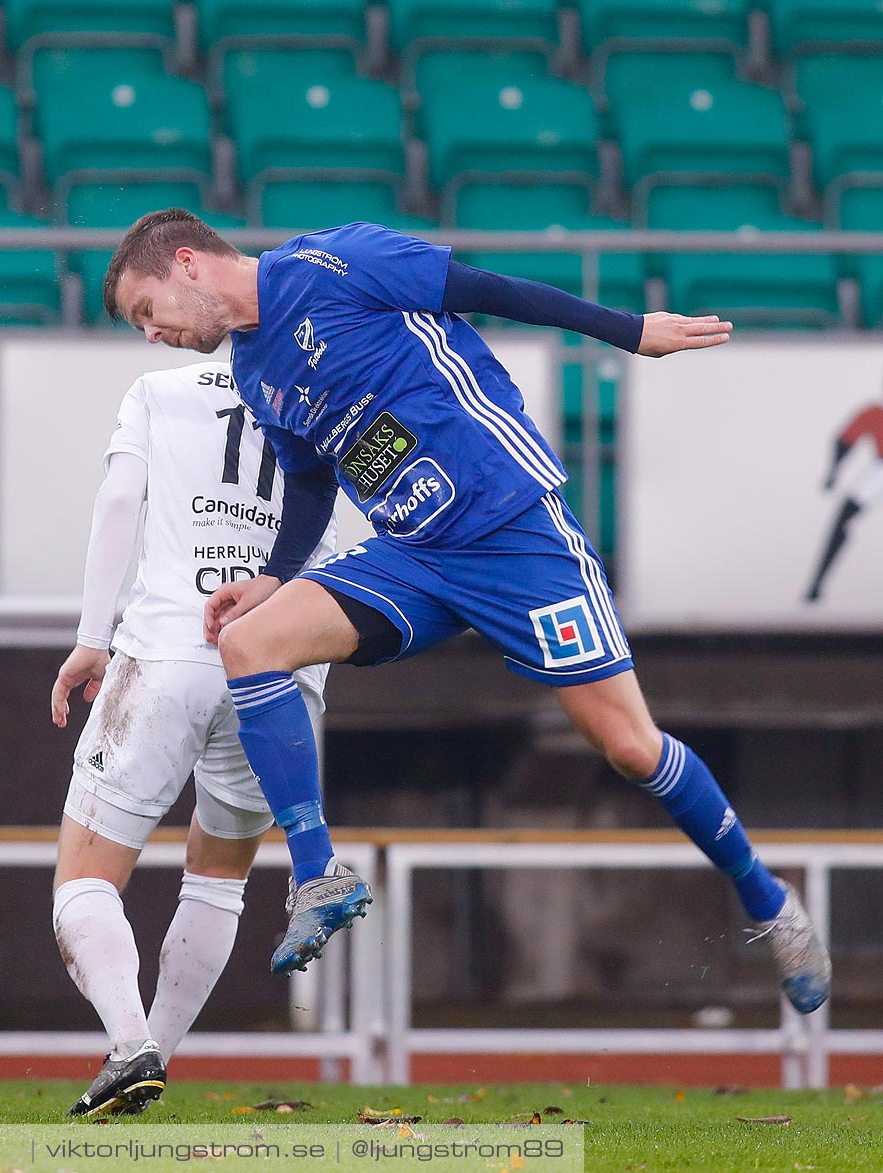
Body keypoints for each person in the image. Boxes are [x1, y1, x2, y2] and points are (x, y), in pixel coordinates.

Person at [101, 210, 831, 1015]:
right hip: (414, 554)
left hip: (513, 528)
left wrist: (627, 331)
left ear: (188, 265)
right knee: (252, 643)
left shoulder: (334, 261)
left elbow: (486, 288)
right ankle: (318, 873)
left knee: (627, 745)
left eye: (146, 311)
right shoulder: (254, 371)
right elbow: (311, 479)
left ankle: (769, 901)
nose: (152, 334)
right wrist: (276, 575)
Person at [49, 360, 336, 1115]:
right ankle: (150, 1060)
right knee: (219, 877)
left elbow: (119, 497)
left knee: (83, 880)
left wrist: (90, 637)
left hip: (169, 647)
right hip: (283, 665)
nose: (151, 329)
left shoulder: (159, 387)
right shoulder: (332, 389)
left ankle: (130, 1045)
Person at [805, 395, 882, 603]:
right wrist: (833, 472)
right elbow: (845, 440)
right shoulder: (875, 413)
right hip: (880, 470)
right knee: (842, 518)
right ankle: (816, 585)